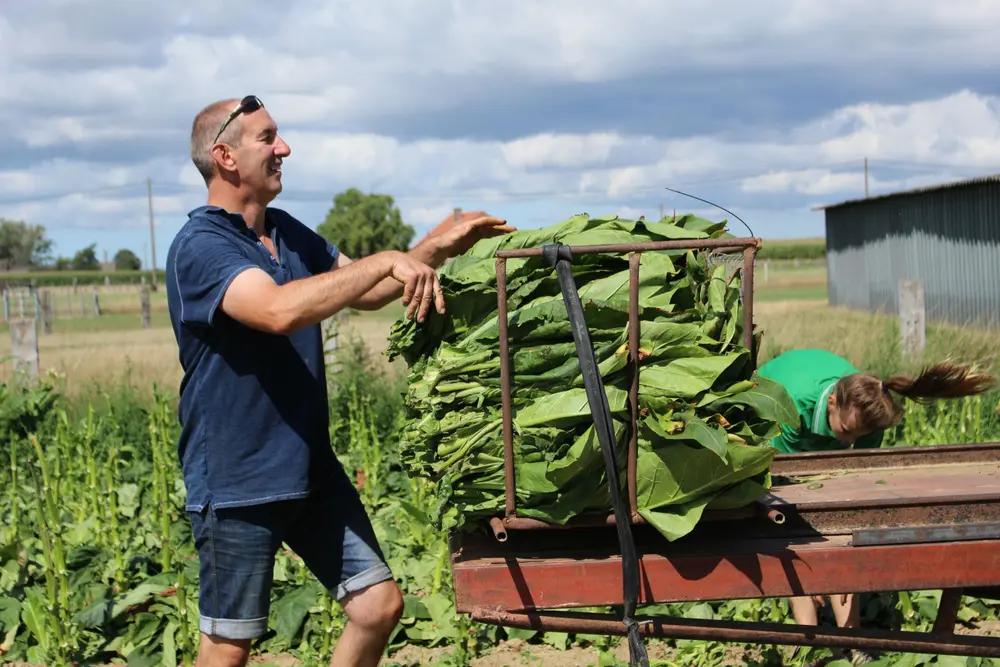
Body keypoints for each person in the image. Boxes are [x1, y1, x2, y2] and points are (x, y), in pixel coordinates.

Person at [165, 95, 514, 667]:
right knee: (229, 647)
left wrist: (428, 250)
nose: (284, 148)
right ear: (225, 156)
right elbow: (277, 311)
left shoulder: (287, 233)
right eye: (267, 137)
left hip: (308, 469)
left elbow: (369, 289)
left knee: (378, 607)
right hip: (237, 477)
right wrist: (383, 259)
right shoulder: (202, 246)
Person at [758, 348, 994, 664]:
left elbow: (853, 482)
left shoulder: (868, 415)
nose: (851, 441)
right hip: (771, 419)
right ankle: (808, 637)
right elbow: (784, 485)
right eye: (846, 432)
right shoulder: (789, 406)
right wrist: (810, 565)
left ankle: (851, 640)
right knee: (788, 534)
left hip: (817, 424)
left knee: (844, 534)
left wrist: (844, 559)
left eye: (860, 436)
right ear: (831, 404)